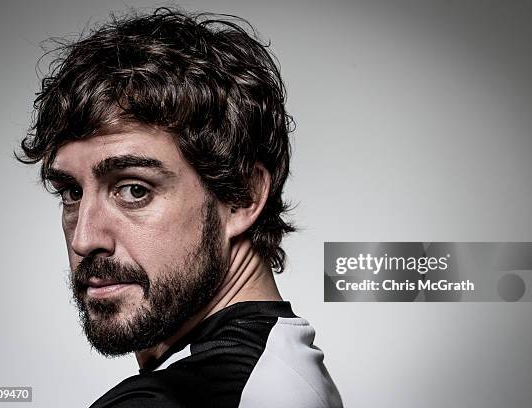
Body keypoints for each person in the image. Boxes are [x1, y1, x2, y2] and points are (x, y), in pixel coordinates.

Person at [17, 6, 342, 408]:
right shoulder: (279, 367)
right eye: (71, 192)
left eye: (134, 190)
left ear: (240, 196)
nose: (84, 239)